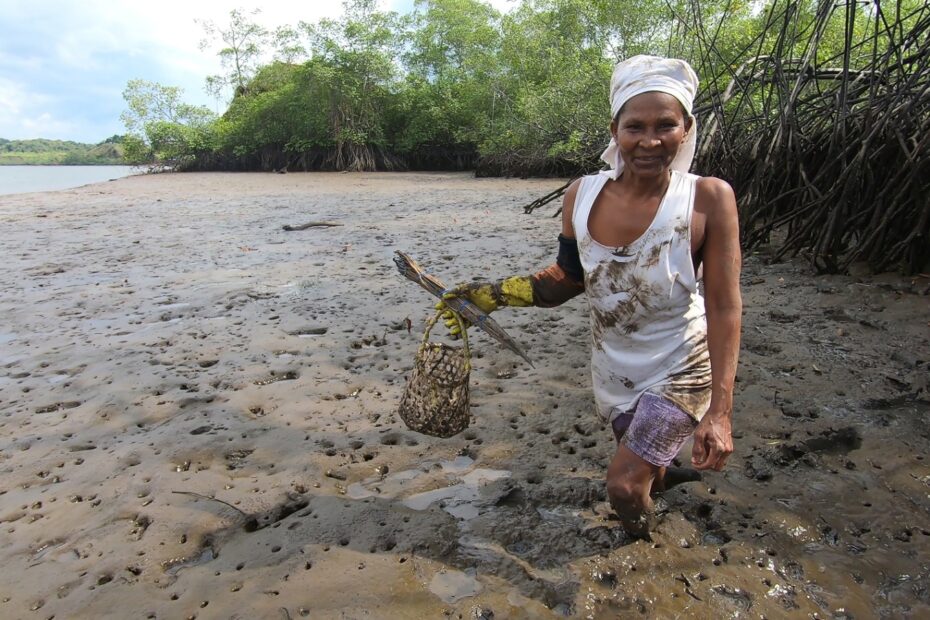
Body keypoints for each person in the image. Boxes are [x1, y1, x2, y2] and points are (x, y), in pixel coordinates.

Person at [440, 55, 742, 538]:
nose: (649, 141)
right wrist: (490, 295)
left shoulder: (708, 197)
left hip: (683, 367)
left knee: (624, 485)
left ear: (686, 128)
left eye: (666, 125)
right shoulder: (580, 194)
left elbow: (725, 306)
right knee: (649, 469)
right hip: (616, 370)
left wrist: (721, 413)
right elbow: (567, 278)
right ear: (615, 129)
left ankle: (644, 549)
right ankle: (663, 483)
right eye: (634, 126)